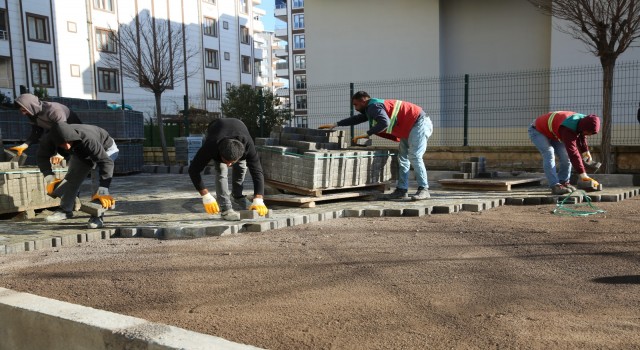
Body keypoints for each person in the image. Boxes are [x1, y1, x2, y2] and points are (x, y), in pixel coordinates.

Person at [319, 91, 433, 200]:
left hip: (419, 124)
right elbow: (357, 119)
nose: (355, 108)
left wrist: (367, 133)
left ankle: (424, 189)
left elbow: (385, 122)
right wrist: (336, 124)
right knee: (403, 159)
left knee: (414, 156)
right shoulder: (371, 108)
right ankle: (402, 190)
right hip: (408, 127)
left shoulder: (374, 106)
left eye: (356, 104)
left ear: (363, 101)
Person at [188, 118, 268, 221]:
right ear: (220, 153)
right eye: (226, 161)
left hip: (240, 129)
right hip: (216, 128)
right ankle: (226, 209)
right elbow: (193, 170)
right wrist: (206, 195)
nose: (229, 164)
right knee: (221, 171)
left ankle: (237, 196)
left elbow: (257, 171)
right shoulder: (211, 146)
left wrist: (259, 198)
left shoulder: (248, 146)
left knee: (241, 167)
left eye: (232, 162)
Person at [45, 123, 119, 228]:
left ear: (72, 138)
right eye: (62, 144)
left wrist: (104, 189)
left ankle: (97, 216)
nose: (66, 146)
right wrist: (58, 156)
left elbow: (106, 162)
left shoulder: (88, 139)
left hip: (105, 151)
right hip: (81, 151)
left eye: (68, 142)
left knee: (97, 180)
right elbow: (42, 156)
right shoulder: (52, 138)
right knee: (72, 176)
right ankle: (65, 210)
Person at [528, 111, 600, 195]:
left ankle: (564, 182)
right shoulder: (568, 128)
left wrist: (585, 152)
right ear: (584, 127)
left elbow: (581, 135)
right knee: (549, 154)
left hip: (554, 132)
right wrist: (582, 174)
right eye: (588, 132)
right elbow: (573, 152)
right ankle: (555, 185)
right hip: (538, 131)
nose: (588, 135)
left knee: (565, 156)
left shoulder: (585, 120)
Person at [10, 93, 82, 171]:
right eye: (21, 111)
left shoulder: (54, 110)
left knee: (78, 154)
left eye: (24, 110)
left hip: (73, 130)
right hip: (56, 131)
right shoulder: (31, 113)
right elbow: (36, 132)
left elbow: (64, 132)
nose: (23, 114)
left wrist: (61, 154)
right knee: (48, 143)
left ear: (32, 106)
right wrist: (24, 145)